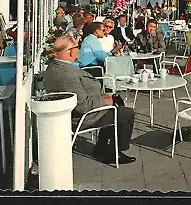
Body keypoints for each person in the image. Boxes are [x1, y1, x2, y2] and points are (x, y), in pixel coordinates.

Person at [43, 36, 136, 165]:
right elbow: (83, 106)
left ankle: (103, 147)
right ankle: (114, 152)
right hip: (83, 117)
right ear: (71, 51)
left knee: (116, 101)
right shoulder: (66, 75)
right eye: (77, 47)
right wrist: (104, 101)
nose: (78, 50)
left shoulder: (56, 66)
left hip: (77, 110)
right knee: (126, 114)